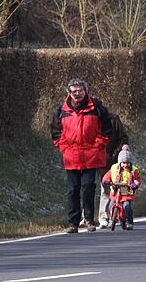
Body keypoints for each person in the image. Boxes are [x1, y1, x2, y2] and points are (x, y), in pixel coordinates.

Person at [51, 78, 113, 234]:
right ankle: (73, 223)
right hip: (71, 155)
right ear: (69, 93)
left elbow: (106, 129)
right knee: (73, 189)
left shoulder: (96, 107)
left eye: (80, 91)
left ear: (86, 91)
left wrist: (98, 145)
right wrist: (64, 147)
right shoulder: (61, 110)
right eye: (74, 91)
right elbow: (56, 133)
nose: (77, 94)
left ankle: (90, 219)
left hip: (91, 155)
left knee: (88, 187)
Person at [97, 113, 129, 229]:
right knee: (101, 187)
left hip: (113, 160)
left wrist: (116, 153)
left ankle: (121, 215)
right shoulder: (91, 119)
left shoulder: (113, 119)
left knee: (115, 187)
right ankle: (102, 217)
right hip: (95, 158)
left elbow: (123, 138)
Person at [101, 145, 142, 230]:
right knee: (111, 205)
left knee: (127, 206)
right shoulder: (114, 168)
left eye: (127, 163)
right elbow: (107, 176)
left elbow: (137, 179)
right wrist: (106, 180)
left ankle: (129, 222)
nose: (125, 165)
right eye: (123, 163)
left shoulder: (133, 170)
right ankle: (113, 219)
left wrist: (135, 184)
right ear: (120, 162)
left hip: (127, 192)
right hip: (116, 191)